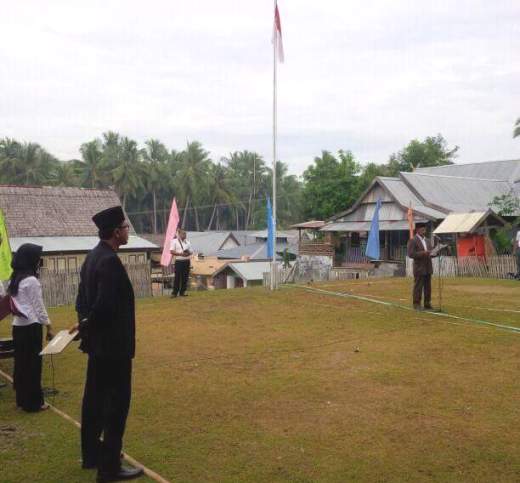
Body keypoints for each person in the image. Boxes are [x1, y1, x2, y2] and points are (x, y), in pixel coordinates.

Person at [74, 206, 143, 482]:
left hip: (97, 348)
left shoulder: (92, 257)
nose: (128, 231)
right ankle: (109, 467)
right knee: (116, 406)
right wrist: (89, 324)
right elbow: (104, 306)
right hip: (114, 349)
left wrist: (85, 324)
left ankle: (91, 455)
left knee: (93, 401)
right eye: (125, 228)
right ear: (116, 232)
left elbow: (82, 301)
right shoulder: (109, 262)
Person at [8, 243, 54, 412]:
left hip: (18, 327)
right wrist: (48, 326)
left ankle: (22, 400)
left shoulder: (15, 279)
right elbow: (38, 306)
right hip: (31, 327)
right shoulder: (31, 281)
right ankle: (35, 403)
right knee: (33, 365)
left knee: (21, 364)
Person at [407, 223, 434, 311]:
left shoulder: (427, 240)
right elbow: (411, 254)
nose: (424, 231)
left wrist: (434, 253)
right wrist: (423, 253)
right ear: (417, 230)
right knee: (418, 286)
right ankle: (416, 304)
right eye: (422, 229)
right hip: (419, 267)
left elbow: (430, 252)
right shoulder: (413, 240)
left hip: (428, 266)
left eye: (425, 229)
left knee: (428, 287)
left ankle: (427, 303)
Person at [170, 229, 193, 297]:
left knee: (185, 277)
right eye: (183, 234)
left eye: (185, 234)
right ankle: (174, 293)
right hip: (179, 261)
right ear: (179, 234)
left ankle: (182, 292)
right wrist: (180, 254)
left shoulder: (188, 242)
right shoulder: (174, 241)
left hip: (186, 261)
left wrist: (188, 253)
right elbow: (171, 251)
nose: (185, 235)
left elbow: (191, 251)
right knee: (177, 277)